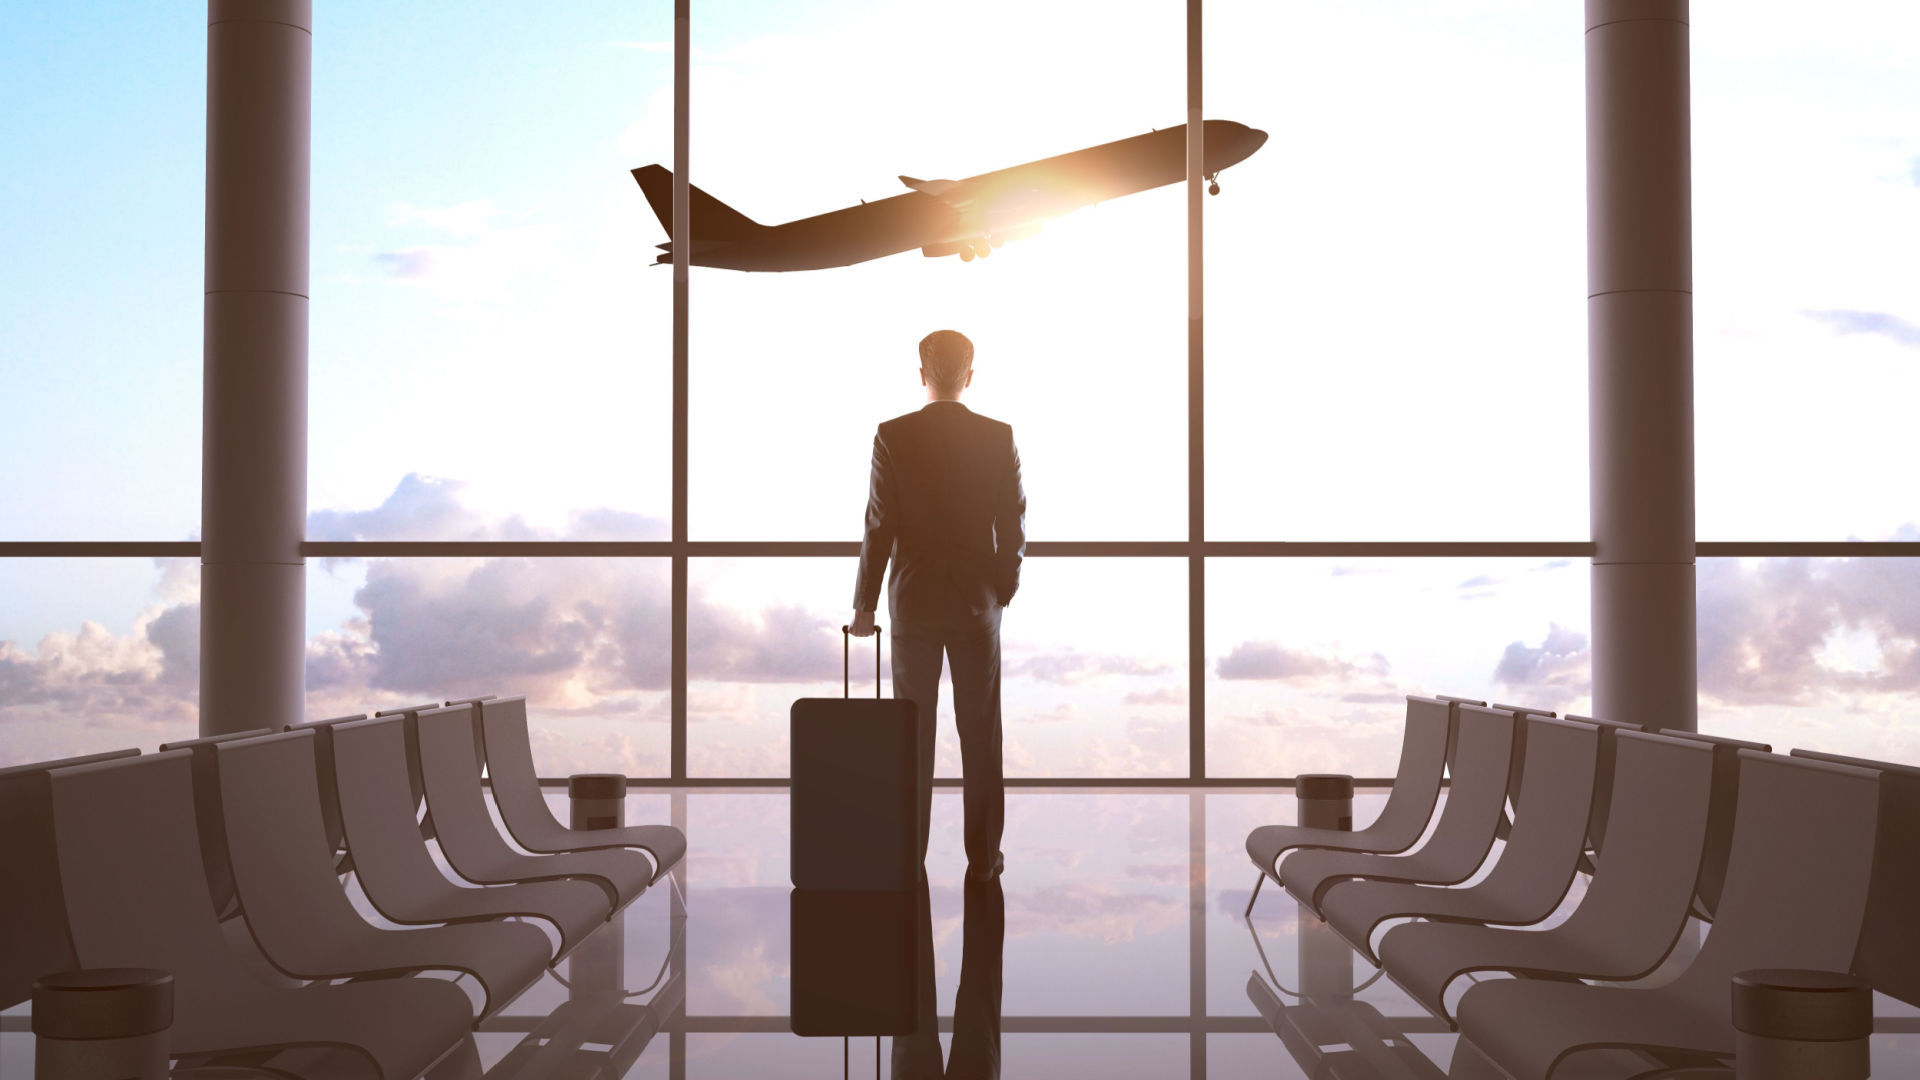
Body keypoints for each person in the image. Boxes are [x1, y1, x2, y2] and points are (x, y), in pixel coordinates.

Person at [849, 329, 1025, 881]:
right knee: (980, 734)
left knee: (912, 735)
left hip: (915, 602)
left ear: (921, 374)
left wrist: (865, 606)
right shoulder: (999, 436)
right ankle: (984, 860)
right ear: (969, 376)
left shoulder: (892, 436)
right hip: (977, 603)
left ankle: (908, 854)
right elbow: (1013, 522)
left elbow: (880, 526)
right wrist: (1003, 588)